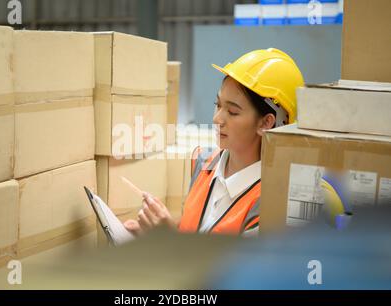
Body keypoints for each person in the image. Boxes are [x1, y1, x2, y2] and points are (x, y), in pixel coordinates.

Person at [124, 48, 304, 236]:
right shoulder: (203, 162)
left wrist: (169, 239)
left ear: (266, 123)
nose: (218, 118)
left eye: (232, 112)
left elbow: (234, 265)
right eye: (217, 105)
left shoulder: (273, 203)